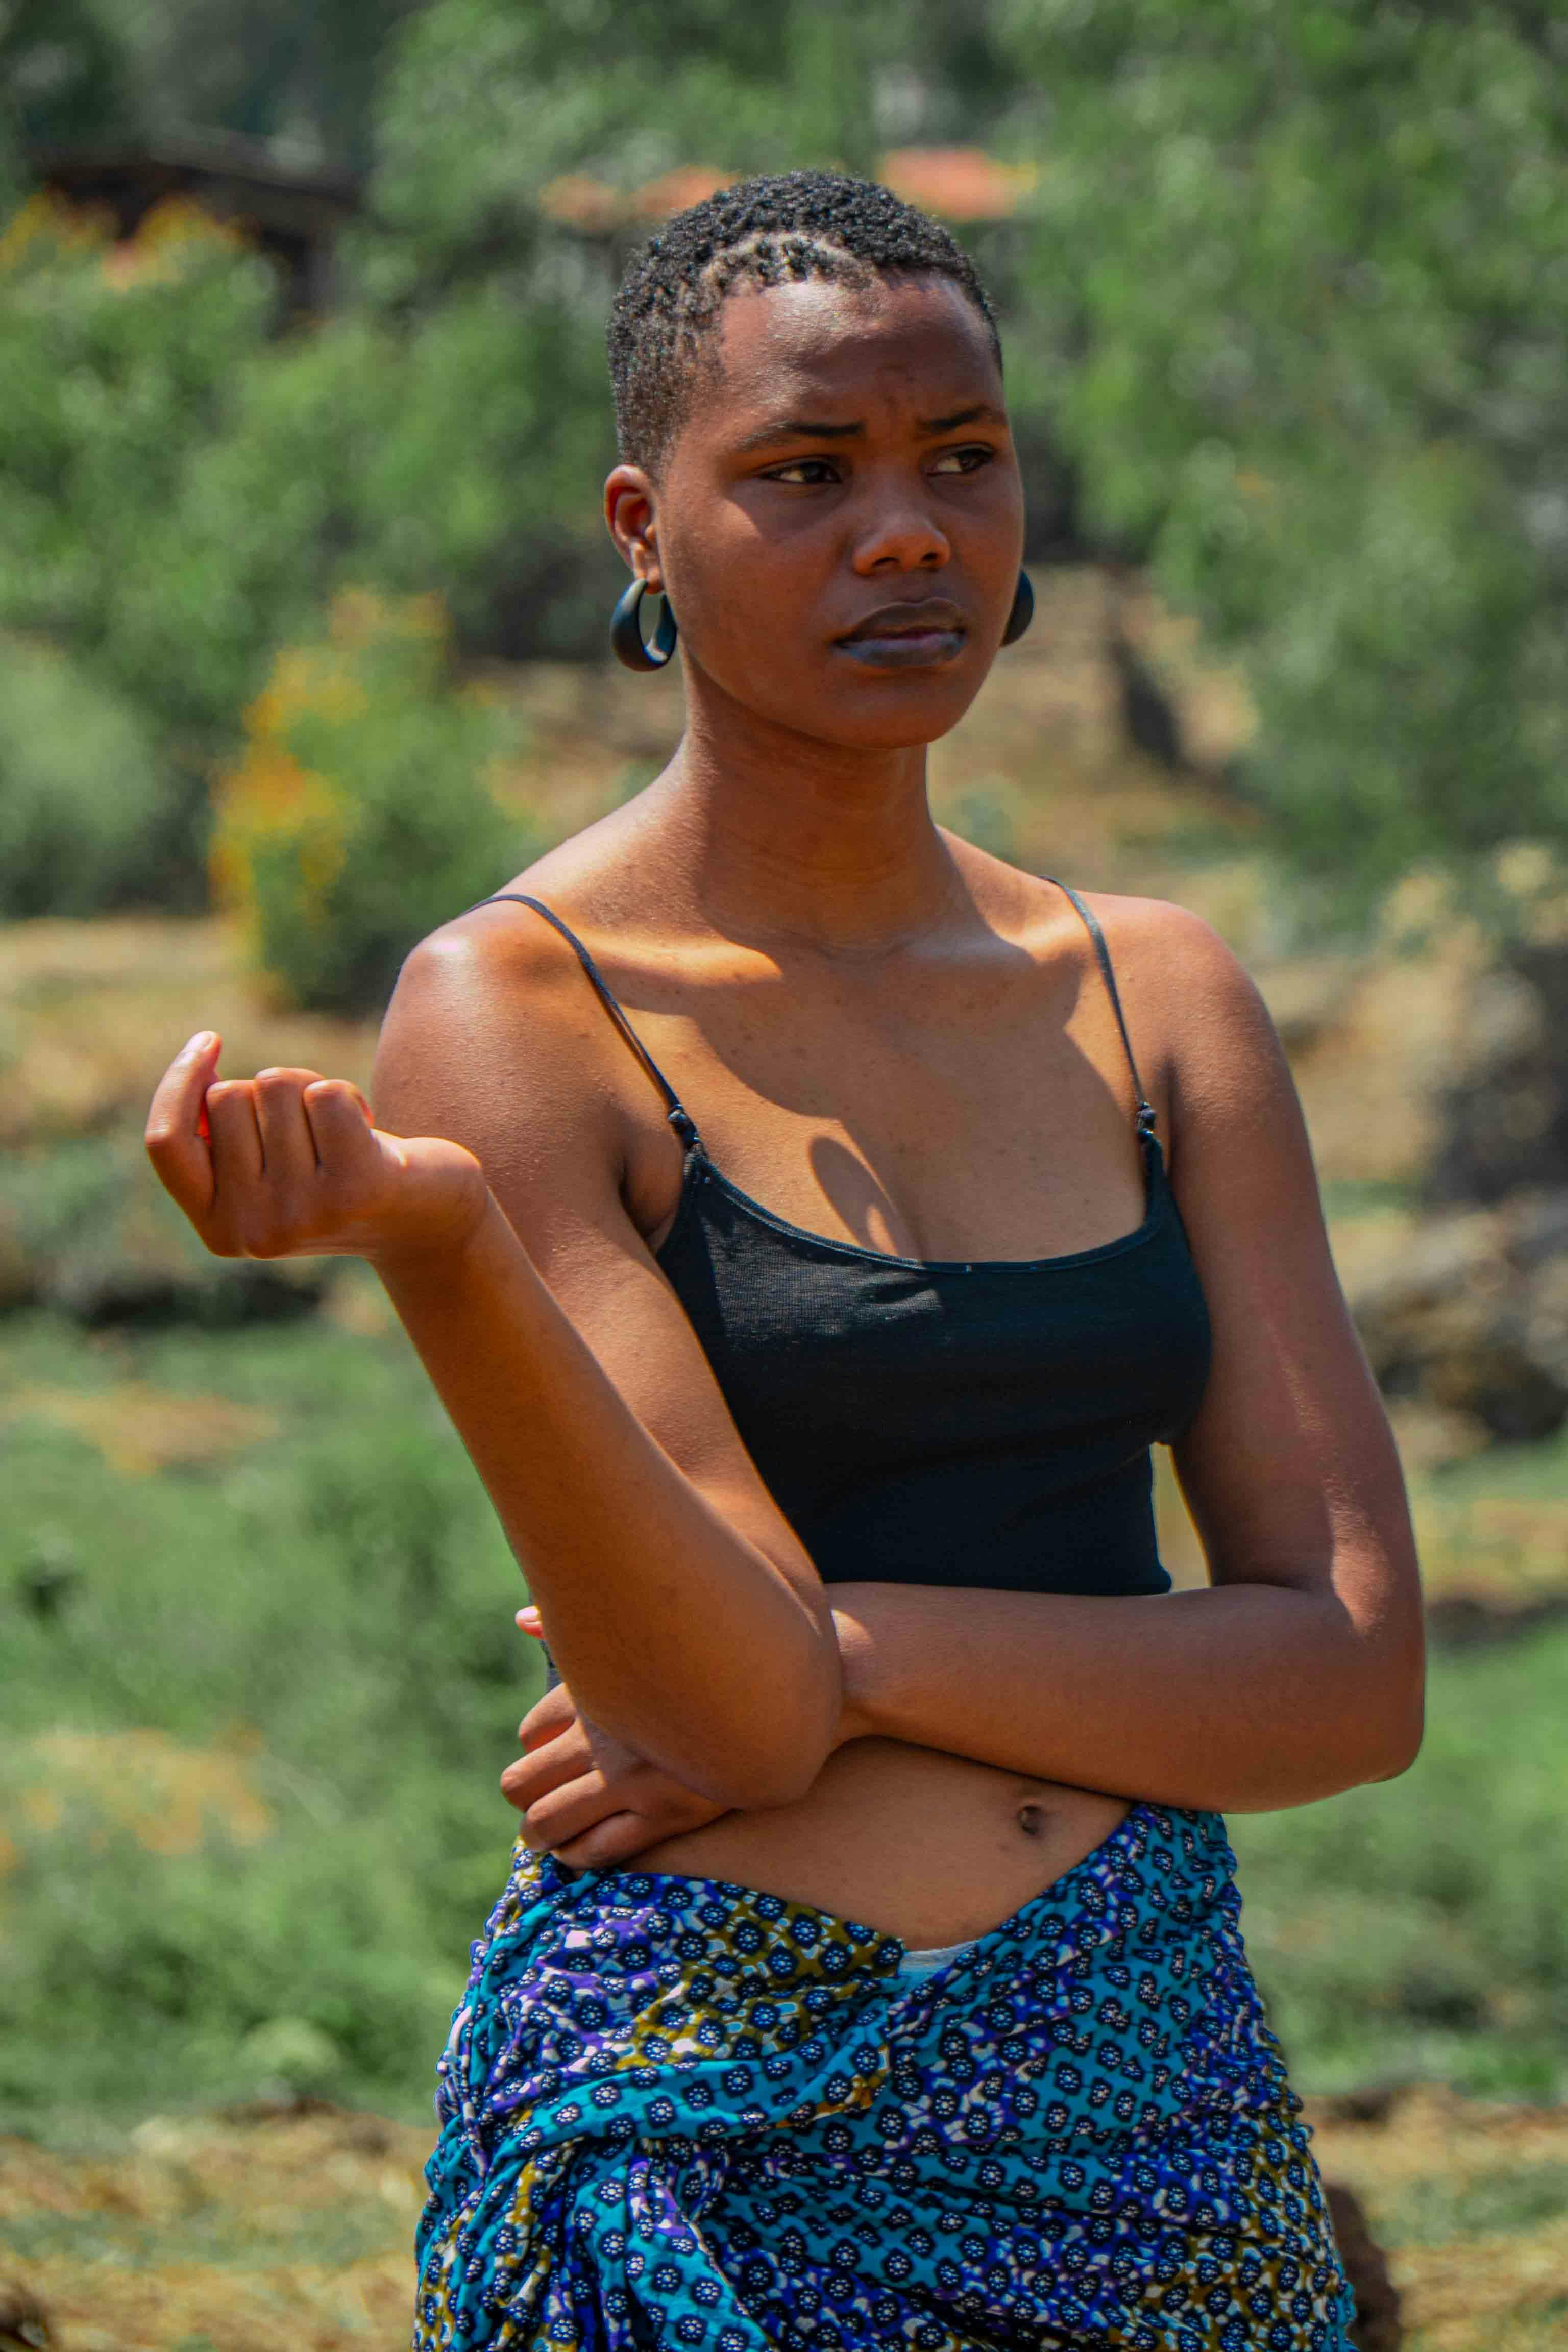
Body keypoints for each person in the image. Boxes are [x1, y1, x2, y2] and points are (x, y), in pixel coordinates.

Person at [145, 172, 1423, 2352]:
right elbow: (715, 1717)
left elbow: (1354, 1679)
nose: (908, 531)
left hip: (1146, 2091)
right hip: (707, 2127)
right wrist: (446, 1238)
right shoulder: (518, 1014)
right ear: (646, 527)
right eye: (808, 475)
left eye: (962, 459)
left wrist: (841, 1647)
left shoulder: (1157, 997)